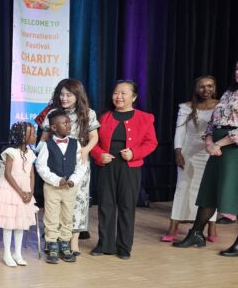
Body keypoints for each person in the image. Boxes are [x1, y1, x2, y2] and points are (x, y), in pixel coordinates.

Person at [174, 60, 238, 256]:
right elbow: (214, 121)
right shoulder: (229, 93)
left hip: (233, 149)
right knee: (209, 191)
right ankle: (196, 233)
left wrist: (220, 144)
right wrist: (210, 140)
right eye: (237, 68)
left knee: (233, 193)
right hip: (217, 148)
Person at [90, 80, 158, 259]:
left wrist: (134, 153)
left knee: (127, 206)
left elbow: (151, 143)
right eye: (115, 93)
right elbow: (92, 141)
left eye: (123, 93)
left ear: (134, 97)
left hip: (129, 168)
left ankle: (124, 247)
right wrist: (99, 155)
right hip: (107, 166)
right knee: (106, 206)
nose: (118, 96)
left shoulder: (145, 118)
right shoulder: (103, 117)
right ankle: (105, 244)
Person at [38, 78, 100, 255]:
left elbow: (94, 136)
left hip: (78, 163)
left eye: (69, 95)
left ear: (78, 95)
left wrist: (86, 150)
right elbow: (44, 137)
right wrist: (39, 154)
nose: (64, 98)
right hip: (56, 164)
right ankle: (53, 240)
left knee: (77, 203)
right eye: (62, 94)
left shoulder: (88, 113)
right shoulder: (53, 112)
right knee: (55, 203)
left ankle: (73, 242)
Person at [163, 76, 219, 242]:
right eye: (202, 86)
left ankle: (211, 226)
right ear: (196, 89)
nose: (206, 89)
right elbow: (180, 131)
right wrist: (178, 153)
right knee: (182, 187)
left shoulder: (220, 106)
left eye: (209, 86)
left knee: (210, 190)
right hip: (188, 151)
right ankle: (173, 226)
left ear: (214, 88)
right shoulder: (186, 107)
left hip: (211, 151)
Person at [36, 110, 87, 264]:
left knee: (67, 216)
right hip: (52, 188)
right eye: (64, 123)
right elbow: (41, 166)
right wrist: (56, 180)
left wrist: (73, 179)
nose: (68, 125)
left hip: (70, 188)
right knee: (51, 216)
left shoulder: (75, 143)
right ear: (53, 128)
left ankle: (65, 244)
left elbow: (81, 165)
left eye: (69, 123)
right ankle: (52, 244)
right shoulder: (47, 145)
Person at [0, 122, 38, 267]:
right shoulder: (11, 152)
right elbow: (8, 174)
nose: (35, 136)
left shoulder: (31, 154)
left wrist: (30, 192)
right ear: (23, 136)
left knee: (20, 224)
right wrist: (20, 192)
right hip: (11, 190)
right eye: (32, 133)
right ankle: (7, 253)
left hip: (25, 191)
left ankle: (18, 253)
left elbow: (32, 174)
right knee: (9, 223)